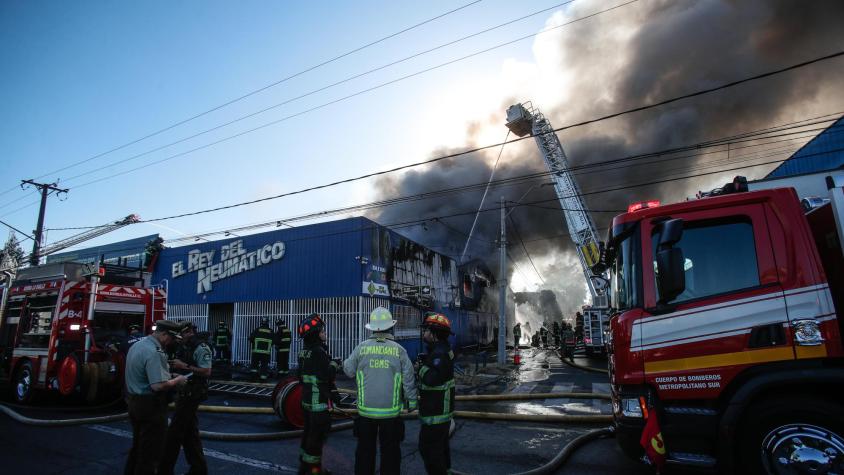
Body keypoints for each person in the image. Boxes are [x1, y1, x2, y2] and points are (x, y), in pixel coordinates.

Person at [344, 307, 417, 475]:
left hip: (365, 412)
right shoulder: (399, 350)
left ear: (372, 328)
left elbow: (348, 370)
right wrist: (412, 402)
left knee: (365, 452)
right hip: (391, 413)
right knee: (390, 453)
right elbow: (408, 378)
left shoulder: (361, 348)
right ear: (390, 327)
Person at [124, 320, 188, 475]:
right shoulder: (154, 351)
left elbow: (144, 373)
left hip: (134, 401)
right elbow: (158, 386)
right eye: (172, 338)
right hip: (150, 407)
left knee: (138, 447)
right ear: (165, 334)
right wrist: (178, 380)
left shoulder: (138, 345)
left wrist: (169, 375)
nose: (171, 342)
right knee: (150, 452)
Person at [159, 323, 213, 475]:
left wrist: (184, 366)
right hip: (184, 391)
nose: (178, 338)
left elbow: (206, 371)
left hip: (193, 393)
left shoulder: (201, 347)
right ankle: (199, 469)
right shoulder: (184, 346)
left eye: (181, 335)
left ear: (189, 333)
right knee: (190, 433)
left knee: (174, 433)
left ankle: (164, 470)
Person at [296, 313, 340, 475]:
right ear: (315, 335)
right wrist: (334, 364)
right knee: (316, 440)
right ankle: (313, 470)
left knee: (308, 435)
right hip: (318, 405)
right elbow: (326, 376)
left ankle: (304, 466)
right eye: (322, 331)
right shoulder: (318, 352)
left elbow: (301, 377)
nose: (324, 333)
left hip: (307, 403)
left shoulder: (303, 352)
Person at [417, 313, 456, 475]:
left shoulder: (439, 354)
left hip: (436, 412)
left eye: (426, 330)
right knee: (441, 450)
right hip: (439, 411)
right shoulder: (441, 350)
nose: (424, 333)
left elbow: (431, 379)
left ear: (434, 334)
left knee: (430, 452)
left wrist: (420, 368)